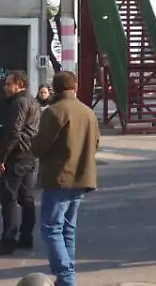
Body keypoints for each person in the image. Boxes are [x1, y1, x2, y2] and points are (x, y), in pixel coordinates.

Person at [31, 71, 99, 286]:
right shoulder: (88, 112)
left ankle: (66, 276)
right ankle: (65, 277)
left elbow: (40, 146)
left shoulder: (54, 112)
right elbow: (95, 144)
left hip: (59, 178)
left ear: (54, 89)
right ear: (75, 87)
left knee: (51, 228)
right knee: (68, 229)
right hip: (81, 177)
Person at [0, 71, 42, 256]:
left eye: (9, 84)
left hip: (17, 156)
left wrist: (2, 157)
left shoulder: (19, 103)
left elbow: (14, 132)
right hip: (30, 155)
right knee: (26, 198)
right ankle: (26, 238)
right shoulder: (32, 101)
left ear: (19, 84)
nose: (5, 87)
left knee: (9, 199)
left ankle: (8, 241)